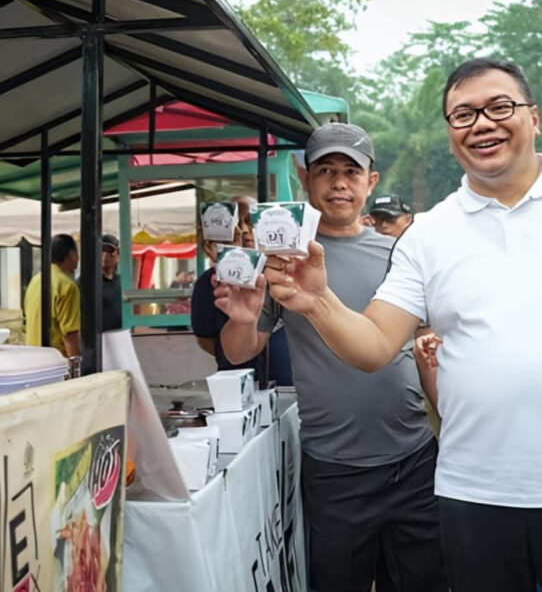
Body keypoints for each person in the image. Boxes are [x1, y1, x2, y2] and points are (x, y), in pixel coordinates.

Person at [262, 60, 541, 592]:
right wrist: (318, 301)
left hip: (416, 460)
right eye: (462, 114)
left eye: (499, 106)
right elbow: (374, 346)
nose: (481, 123)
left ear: (534, 118)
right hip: (475, 492)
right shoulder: (428, 235)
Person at [219, 124, 446, 592]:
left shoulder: (402, 256)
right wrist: (243, 317)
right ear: (305, 179)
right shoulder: (284, 263)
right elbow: (239, 350)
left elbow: (426, 349)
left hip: (414, 460)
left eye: (350, 171)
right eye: (325, 170)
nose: (339, 183)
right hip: (335, 471)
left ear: (371, 182)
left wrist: (447, 414)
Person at [192, 195, 292, 388]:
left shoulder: (282, 272)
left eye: (250, 222)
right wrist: (235, 349)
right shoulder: (209, 282)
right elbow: (205, 339)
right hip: (236, 385)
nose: (244, 230)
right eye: (236, 224)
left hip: (286, 386)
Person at [24, 233, 80, 357]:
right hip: (54, 361)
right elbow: (70, 334)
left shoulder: (36, 280)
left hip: (31, 357)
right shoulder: (67, 286)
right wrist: (77, 368)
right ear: (71, 254)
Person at [101, 232, 122, 331]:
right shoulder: (88, 282)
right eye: (102, 250)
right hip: (98, 340)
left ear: (117, 254)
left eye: (110, 251)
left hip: (120, 337)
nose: (105, 255)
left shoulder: (122, 282)